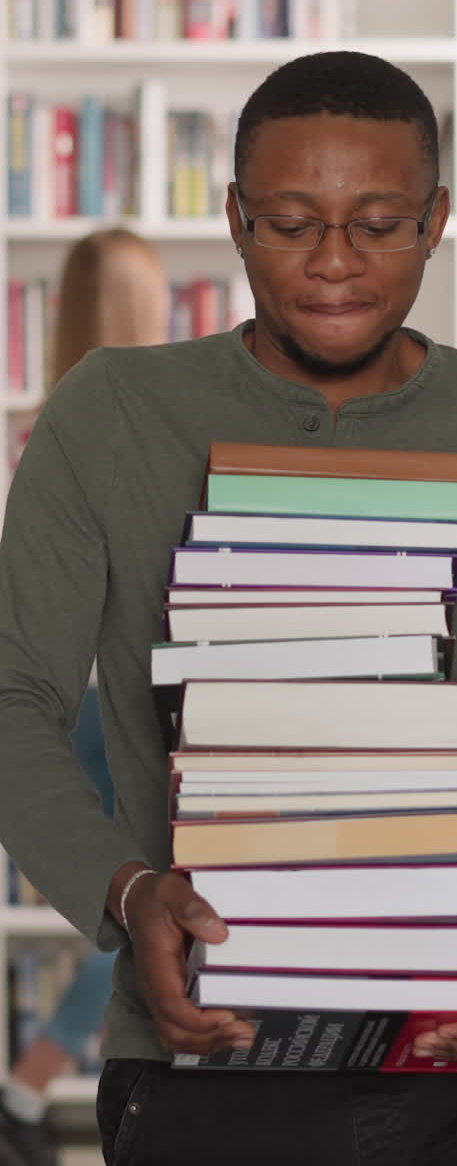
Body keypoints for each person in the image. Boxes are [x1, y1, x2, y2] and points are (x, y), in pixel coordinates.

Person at [0, 53, 457, 1166]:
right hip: (194, 1067)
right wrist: (125, 891)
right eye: (289, 220)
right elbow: (14, 700)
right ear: (233, 219)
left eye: (379, 221)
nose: (333, 262)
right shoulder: (108, 413)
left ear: (437, 220)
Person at [0, 228, 168, 1166]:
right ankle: (30, 1086)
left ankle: (35, 1085)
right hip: (123, 698)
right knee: (150, 904)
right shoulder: (137, 427)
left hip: (66, 699)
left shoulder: (40, 425)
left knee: (133, 900)